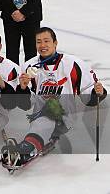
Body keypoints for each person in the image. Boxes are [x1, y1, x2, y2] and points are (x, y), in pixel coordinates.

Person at [8, 27, 106, 167]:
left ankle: (25, 150)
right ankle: (37, 141)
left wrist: (98, 92)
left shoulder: (73, 64)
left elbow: (88, 96)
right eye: (39, 42)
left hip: (65, 118)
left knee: (48, 115)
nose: (42, 45)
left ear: (55, 43)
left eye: (46, 41)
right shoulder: (29, 66)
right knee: (44, 118)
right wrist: (22, 88)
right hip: (38, 118)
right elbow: (26, 105)